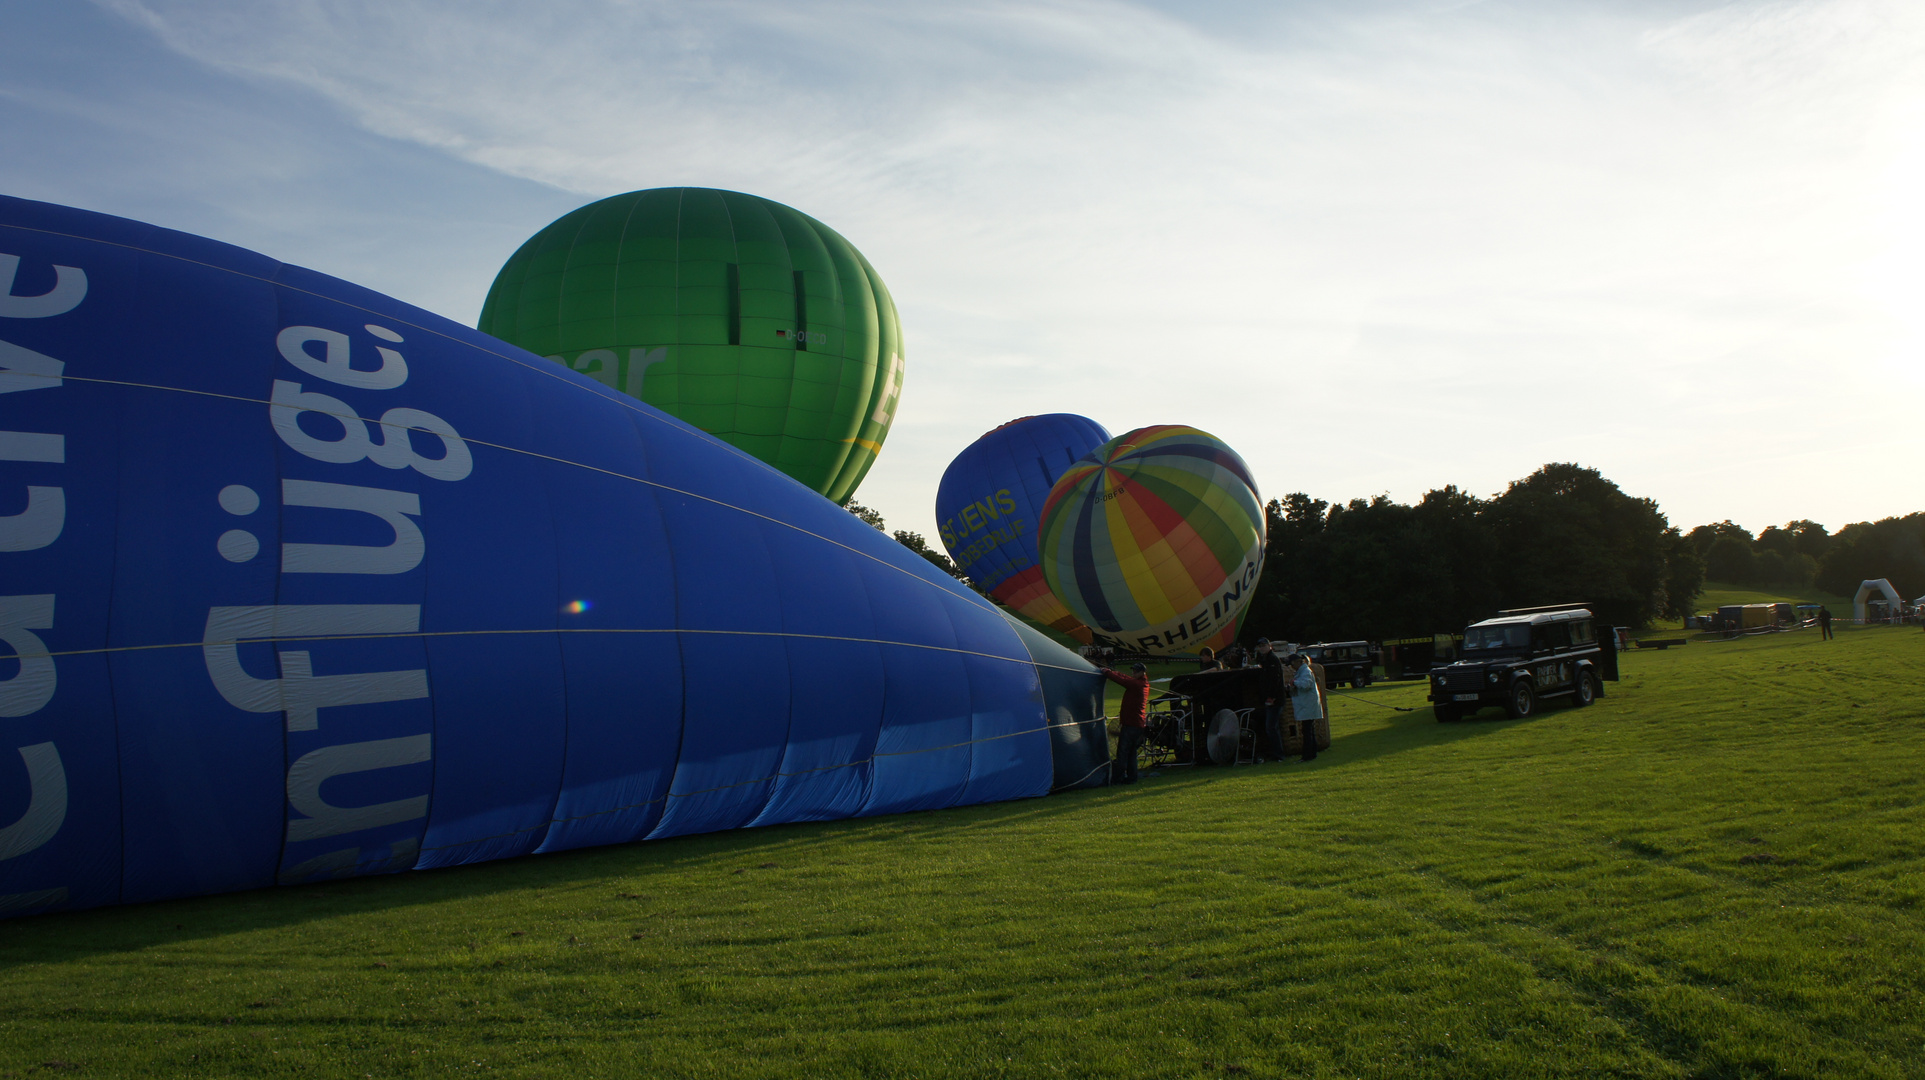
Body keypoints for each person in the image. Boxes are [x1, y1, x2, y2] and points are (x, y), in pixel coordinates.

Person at [1100, 661, 1152, 784]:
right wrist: (1112, 671)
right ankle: (1132, 777)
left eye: (1135, 671)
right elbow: (1125, 678)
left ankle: (1119, 778)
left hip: (1131, 724)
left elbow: (1122, 680)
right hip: (1137, 725)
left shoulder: (1137, 685)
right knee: (1131, 753)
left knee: (1122, 753)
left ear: (1141, 672)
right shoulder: (1142, 683)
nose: (1132, 672)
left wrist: (1107, 672)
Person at [1254, 638, 1288, 762]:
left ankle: (1279, 754)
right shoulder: (1263, 659)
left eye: (1264, 645)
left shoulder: (1272, 659)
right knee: (1272, 727)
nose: (1262, 648)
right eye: (1260, 646)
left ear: (1269, 646)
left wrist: (1272, 697)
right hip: (1269, 698)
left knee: (1271, 727)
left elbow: (1275, 680)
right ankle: (1275, 753)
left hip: (1275, 699)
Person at [1285, 652, 1323, 761]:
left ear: (1298, 662)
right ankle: (1312, 753)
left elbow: (1305, 684)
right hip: (1306, 706)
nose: (1291, 667)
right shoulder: (1301, 672)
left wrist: (1294, 682)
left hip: (1307, 706)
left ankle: (1307, 755)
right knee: (1309, 730)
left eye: (1292, 664)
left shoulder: (1305, 672)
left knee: (1307, 731)